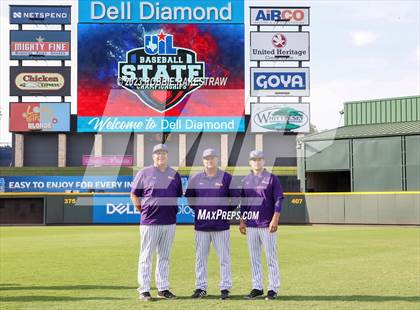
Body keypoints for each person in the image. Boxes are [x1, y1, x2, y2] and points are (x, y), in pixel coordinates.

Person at [130, 143, 183, 301]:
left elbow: (177, 195)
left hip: (169, 221)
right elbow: (134, 194)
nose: (160, 156)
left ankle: (163, 288)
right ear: (153, 156)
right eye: (157, 154)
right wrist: (142, 209)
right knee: (146, 256)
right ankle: (144, 290)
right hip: (150, 222)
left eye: (163, 153)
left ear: (167, 155)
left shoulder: (174, 174)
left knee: (164, 257)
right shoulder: (144, 173)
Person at [185, 148, 236, 300]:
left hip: (221, 226)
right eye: (207, 158)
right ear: (203, 160)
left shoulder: (227, 178)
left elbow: (234, 199)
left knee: (224, 259)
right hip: (201, 226)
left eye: (212, 157)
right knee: (200, 258)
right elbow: (190, 199)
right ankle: (201, 287)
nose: (210, 160)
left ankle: (225, 288)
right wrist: (201, 211)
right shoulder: (195, 178)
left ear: (217, 159)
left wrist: (223, 212)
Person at [239, 150, 284, 300]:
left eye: (259, 159)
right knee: (254, 258)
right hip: (251, 224)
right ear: (250, 162)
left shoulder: (272, 178)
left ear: (263, 161)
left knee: (271, 257)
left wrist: (275, 218)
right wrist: (242, 220)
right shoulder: (246, 180)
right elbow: (244, 203)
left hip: (267, 224)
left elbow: (279, 199)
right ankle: (257, 287)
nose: (257, 162)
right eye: (254, 159)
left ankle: (273, 288)